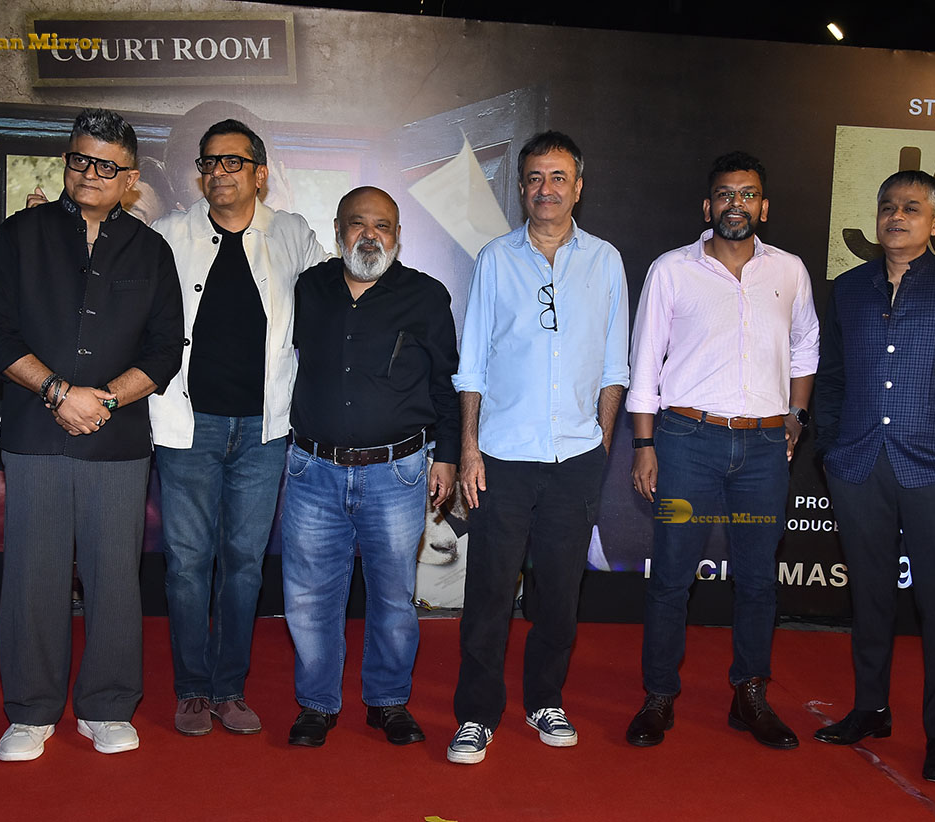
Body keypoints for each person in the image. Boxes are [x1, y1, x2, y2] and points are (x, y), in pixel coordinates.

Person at [0, 108, 183, 761]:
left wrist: (105, 399)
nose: (89, 174)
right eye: (79, 160)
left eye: (105, 166)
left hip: (116, 440)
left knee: (114, 575)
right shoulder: (21, 235)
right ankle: (30, 713)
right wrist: (58, 393)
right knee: (33, 574)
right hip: (35, 433)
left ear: (130, 177)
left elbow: (165, 350)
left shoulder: (151, 251)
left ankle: (107, 706)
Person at [813, 170, 935, 783]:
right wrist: (830, 448)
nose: (896, 216)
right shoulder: (849, 288)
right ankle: (871, 709)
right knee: (870, 597)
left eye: (912, 208)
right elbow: (831, 376)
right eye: (888, 207)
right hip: (858, 464)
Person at [625, 151, 819, 750]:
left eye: (748, 194)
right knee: (672, 575)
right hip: (686, 443)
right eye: (726, 194)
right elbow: (643, 361)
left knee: (759, 579)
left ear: (764, 206)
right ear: (708, 206)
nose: (737, 204)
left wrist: (797, 416)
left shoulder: (789, 271)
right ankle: (659, 696)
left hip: (763, 449)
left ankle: (750, 694)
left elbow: (806, 346)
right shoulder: (672, 270)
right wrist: (644, 443)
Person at [447, 131, 629, 765]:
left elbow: (614, 367)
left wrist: (600, 447)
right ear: (521, 188)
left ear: (578, 187)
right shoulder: (496, 259)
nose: (545, 189)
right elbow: (471, 365)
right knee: (489, 594)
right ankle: (476, 714)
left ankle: (545, 699)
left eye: (557, 177)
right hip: (501, 457)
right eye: (533, 178)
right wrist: (470, 450)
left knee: (558, 596)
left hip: (576, 459)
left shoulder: (606, 261)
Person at [149, 119, 328, 736]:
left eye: (233, 161)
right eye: (209, 162)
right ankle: (192, 689)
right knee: (186, 564)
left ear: (260, 173)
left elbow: (338, 296)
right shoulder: (168, 234)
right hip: (187, 426)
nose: (219, 172)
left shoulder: (292, 233)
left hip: (263, 430)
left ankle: (230, 688)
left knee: (245, 563)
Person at [282, 186, 459, 748]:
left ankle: (388, 702)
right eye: (358, 224)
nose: (370, 235)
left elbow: (446, 384)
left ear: (398, 235)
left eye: (382, 225)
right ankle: (316, 704)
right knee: (309, 597)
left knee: (393, 597)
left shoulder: (426, 296)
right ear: (338, 231)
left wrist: (448, 457)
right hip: (312, 470)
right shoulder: (308, 288)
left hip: (396, 472)